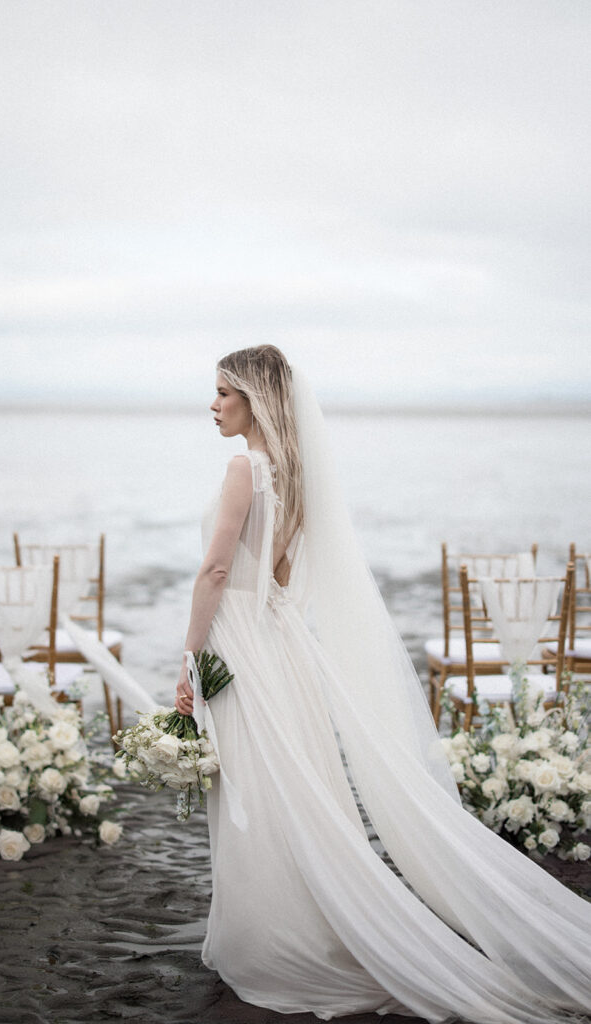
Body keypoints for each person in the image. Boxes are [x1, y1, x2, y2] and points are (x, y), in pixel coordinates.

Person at [172, 345, 591, 1024]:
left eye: (223, 392)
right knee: (288, 797)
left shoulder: (243, 468)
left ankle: (277, 944)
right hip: (278, 646)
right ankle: (297, 928)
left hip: (240, 646)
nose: (212, 404)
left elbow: (216, 574)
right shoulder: (291, 474)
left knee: (257, 795)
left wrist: (188, 659)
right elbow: (279, 579)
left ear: (254, 399)